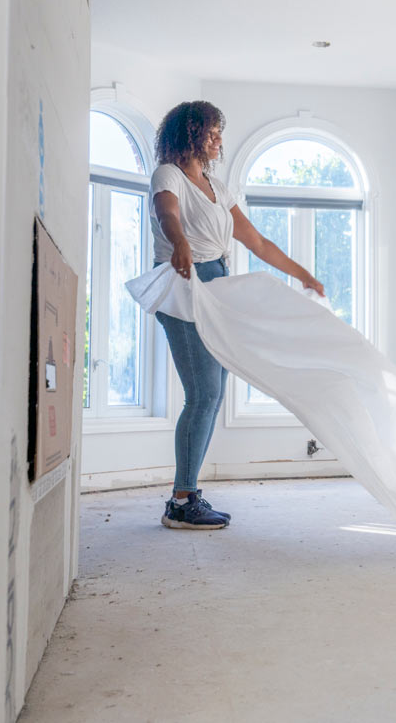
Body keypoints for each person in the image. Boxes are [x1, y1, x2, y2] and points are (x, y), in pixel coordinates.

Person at [149, 100, 325, 530]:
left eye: (218, 133)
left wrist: (304, 275)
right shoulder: (168, 174)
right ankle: (181, 500)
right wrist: (179, 243)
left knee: (213, 394)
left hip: (218, 285)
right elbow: (166, 212)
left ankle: (188, 494)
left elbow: (257, 242)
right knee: (204, 393)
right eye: (211, 132)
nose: (218, 140)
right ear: (190, 134)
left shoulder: (216, 186)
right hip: (185, 284)